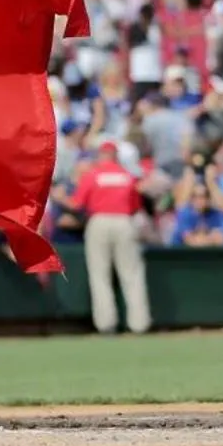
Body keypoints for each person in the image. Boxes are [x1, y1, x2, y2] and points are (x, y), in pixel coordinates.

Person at [70, 139, 151, 334]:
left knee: (100, 274)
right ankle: (139, 324)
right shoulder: (128, 176)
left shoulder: (92, 175)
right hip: (124, 222)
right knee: (131, 274)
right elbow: (135, 206)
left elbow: (76, 204)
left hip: (99, 222)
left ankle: (106, 324)